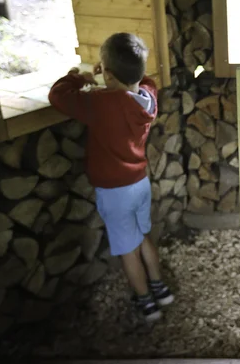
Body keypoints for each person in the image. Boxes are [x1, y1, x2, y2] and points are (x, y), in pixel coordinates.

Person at [49, 32, 174, 322]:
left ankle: (146, 302)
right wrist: (117, 75)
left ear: (107, 73)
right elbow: (149, 81)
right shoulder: (148, 98)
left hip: (114, 190)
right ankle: (161, 288)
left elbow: (58, 96)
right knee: (142, 236)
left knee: (127, 249)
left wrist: (78, 76)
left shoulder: (100, 104)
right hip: (140, 183)